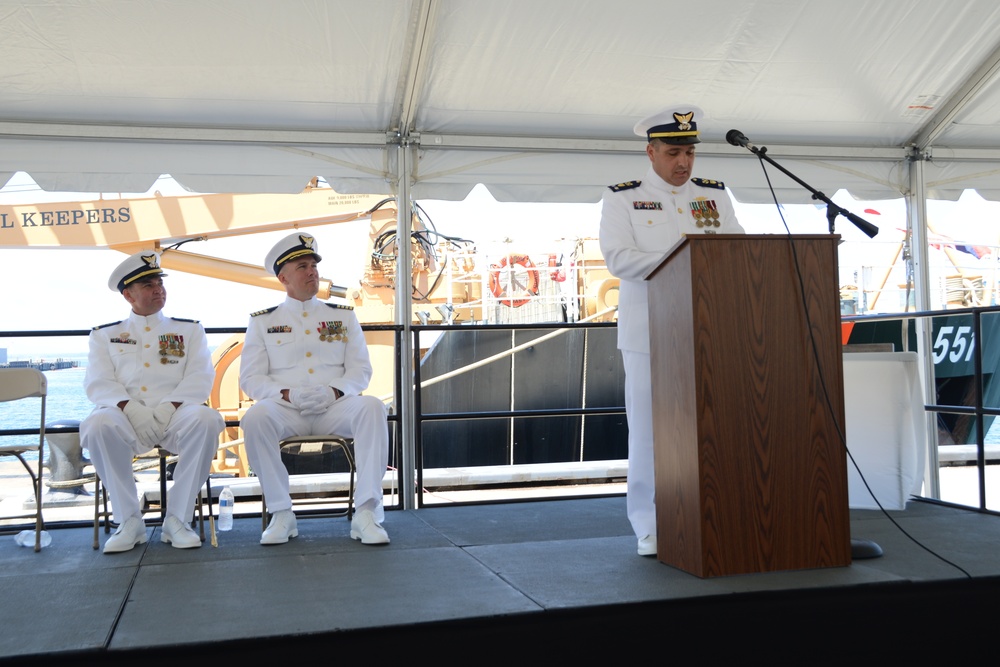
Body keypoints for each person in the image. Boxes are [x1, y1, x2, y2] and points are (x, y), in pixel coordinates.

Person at [599, 105, 745, 556]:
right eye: (673, 153)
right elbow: (619, 259)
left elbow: (740, 248)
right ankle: (648, 524)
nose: (683, 163)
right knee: (647, 431)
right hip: (648, 334)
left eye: (689, 153)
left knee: (713, 424)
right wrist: (686, 258)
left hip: (710, 330)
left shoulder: (715, 196)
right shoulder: (622, 197)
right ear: (651, 152)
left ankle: (711, 513)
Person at [239, 232, 390, 546]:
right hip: (287, 409)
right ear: (284, 277)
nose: (312, 272)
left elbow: (361, 370)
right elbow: (251, 379)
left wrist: (334, 391)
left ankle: (365, 511)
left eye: (313, 266)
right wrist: (286, 394)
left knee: (373, 407)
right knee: (255, 418)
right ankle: (281, 513)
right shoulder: (263, 322)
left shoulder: (342, 316)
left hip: (333, 407)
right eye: (302, 267)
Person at [81, 251, 223, 554]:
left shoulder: (189, 330)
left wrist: (165, 410)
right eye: (148, 285)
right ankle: (129, 520)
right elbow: (99, 382)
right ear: (128, 295)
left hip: (174, 416)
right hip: (127, 418)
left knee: (208, 420)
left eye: (159, 283)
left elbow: (199, 377)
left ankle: (178, 520)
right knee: (97, 424)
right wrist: (132, 409)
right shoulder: (105, 335)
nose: (158, 289)